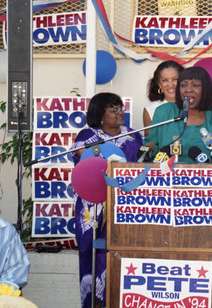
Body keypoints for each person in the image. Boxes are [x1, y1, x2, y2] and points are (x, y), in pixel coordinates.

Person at [69, 92, 143, 308]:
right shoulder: (88, 134)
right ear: (100, 115)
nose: (120, 113)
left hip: (124, 202)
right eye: (114, 109)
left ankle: (118, 299)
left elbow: (141, 161)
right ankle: (94, 301)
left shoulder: (133, 135)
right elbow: (80, 155)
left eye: (121, 108)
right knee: (91, 252)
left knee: (120, 250)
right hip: (93, 207)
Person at [144, 66, 212, 174]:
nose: (188, 89)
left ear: (206, 89)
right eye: (183, 85)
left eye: (196, 85)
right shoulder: (164, 112)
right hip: (169, 186)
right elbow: (149, 147)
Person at [143, 60, 184, 136]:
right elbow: (150, 140)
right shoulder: (151, 108)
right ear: (159, 84)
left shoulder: (192, 105)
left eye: (175, 79)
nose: (171, 84)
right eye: (165, 80)